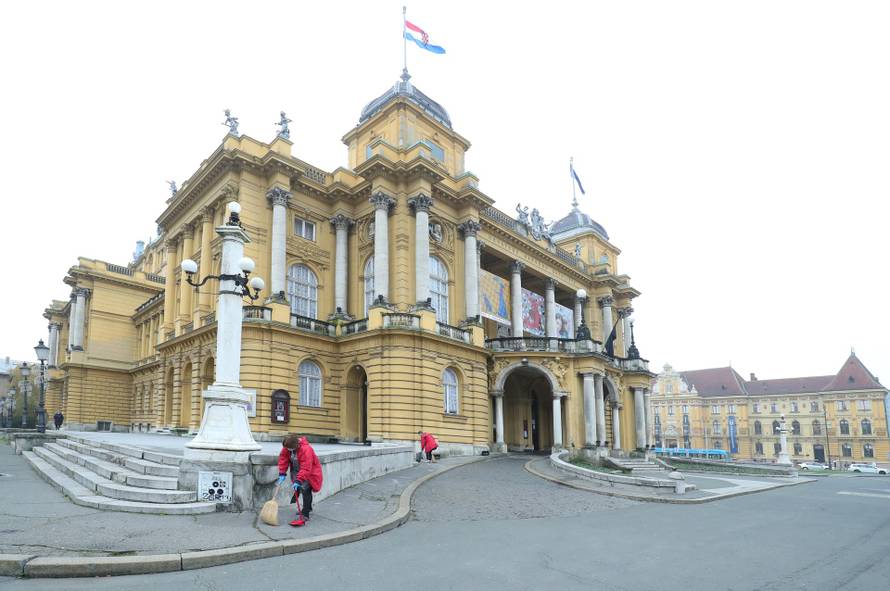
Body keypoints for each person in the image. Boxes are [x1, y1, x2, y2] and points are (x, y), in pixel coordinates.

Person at [277, 434, 323, 527]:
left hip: (310, 473)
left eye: (290, 449)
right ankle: (308, 508)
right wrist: (282, 472)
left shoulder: (306, 450)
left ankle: (305, 514)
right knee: (301, 490)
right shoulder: (287, 447)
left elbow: (306, 467)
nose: (288, 450)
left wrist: (299, 480)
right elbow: (283, 458)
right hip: (297, 471)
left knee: (306, 490)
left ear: (297, 445)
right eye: (287, 448)